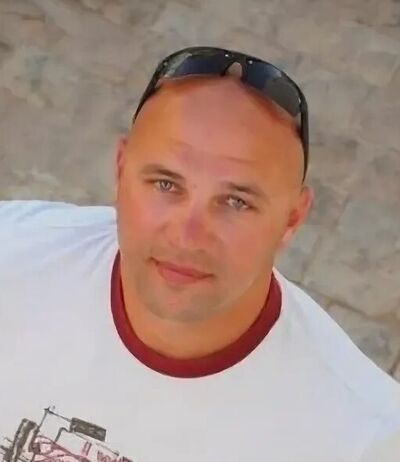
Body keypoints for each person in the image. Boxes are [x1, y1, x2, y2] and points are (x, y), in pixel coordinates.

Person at [0, 47, 399, 462]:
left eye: (236, 202)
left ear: (292, 218)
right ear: (120, 172)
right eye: (166, 185)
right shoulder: (10, 255)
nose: (188, 238)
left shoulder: (363, 438)